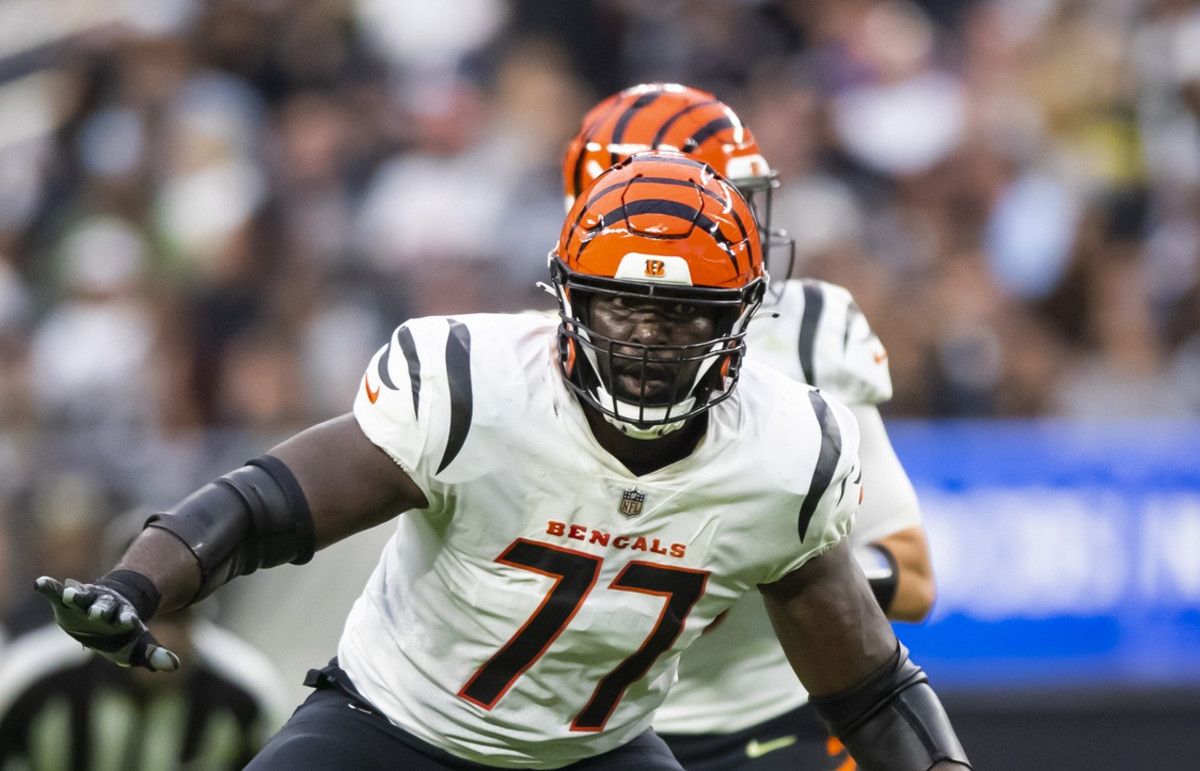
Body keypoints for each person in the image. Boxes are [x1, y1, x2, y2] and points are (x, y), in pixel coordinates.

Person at [33, 151, 969, 771]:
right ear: (568, 304)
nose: (648, 338)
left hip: (595, 751)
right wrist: (142, 579)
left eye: (683, 315)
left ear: (736, 324)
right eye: (621, 307)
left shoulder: (785, 453)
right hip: (396, 725)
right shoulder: (476, 385)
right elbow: (275, 502)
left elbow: (870, 685)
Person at [562, 83, 936, 770]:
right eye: (717, 202)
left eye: (744, 200)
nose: (747, 230)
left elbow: (912, 576)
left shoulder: (808, 334)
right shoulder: (528, 366)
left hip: (769, 715)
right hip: (583, 730)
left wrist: (771, 567)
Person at [1, 509, 291, 770]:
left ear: (200, 611)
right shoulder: (33, 678)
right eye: (140, 618)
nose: (155, 637)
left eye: (175, 617)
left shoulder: (246, 693)